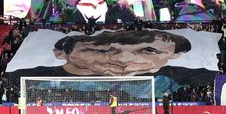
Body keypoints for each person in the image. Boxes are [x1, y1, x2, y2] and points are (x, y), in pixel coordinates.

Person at [11, 30, 210, 87]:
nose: (121, 58)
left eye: (148, 52)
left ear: (172, 57)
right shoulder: (29, 78)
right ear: (61, 54)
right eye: (100, 50)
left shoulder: (189, 78)